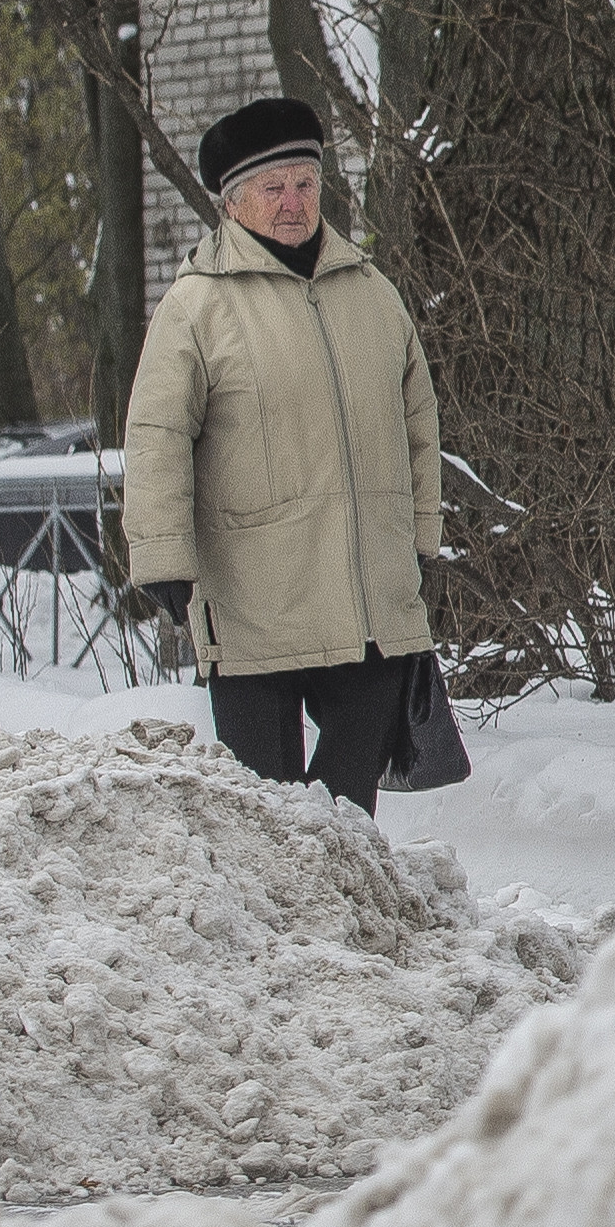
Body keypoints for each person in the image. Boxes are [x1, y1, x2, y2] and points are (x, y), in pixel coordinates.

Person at [120, 97, 446, 813]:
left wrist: (421, 540)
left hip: (367, 599)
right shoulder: (196, 306)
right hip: (254, 602)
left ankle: (344, 920)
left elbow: (420, 423)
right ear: (233, 204)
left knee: (349, 806)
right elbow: (157, 435)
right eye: (274, 188)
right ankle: (280, 927)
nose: (294, 202)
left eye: (305, 182)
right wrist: (163, 555)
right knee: (265, 814)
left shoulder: (373, 293)